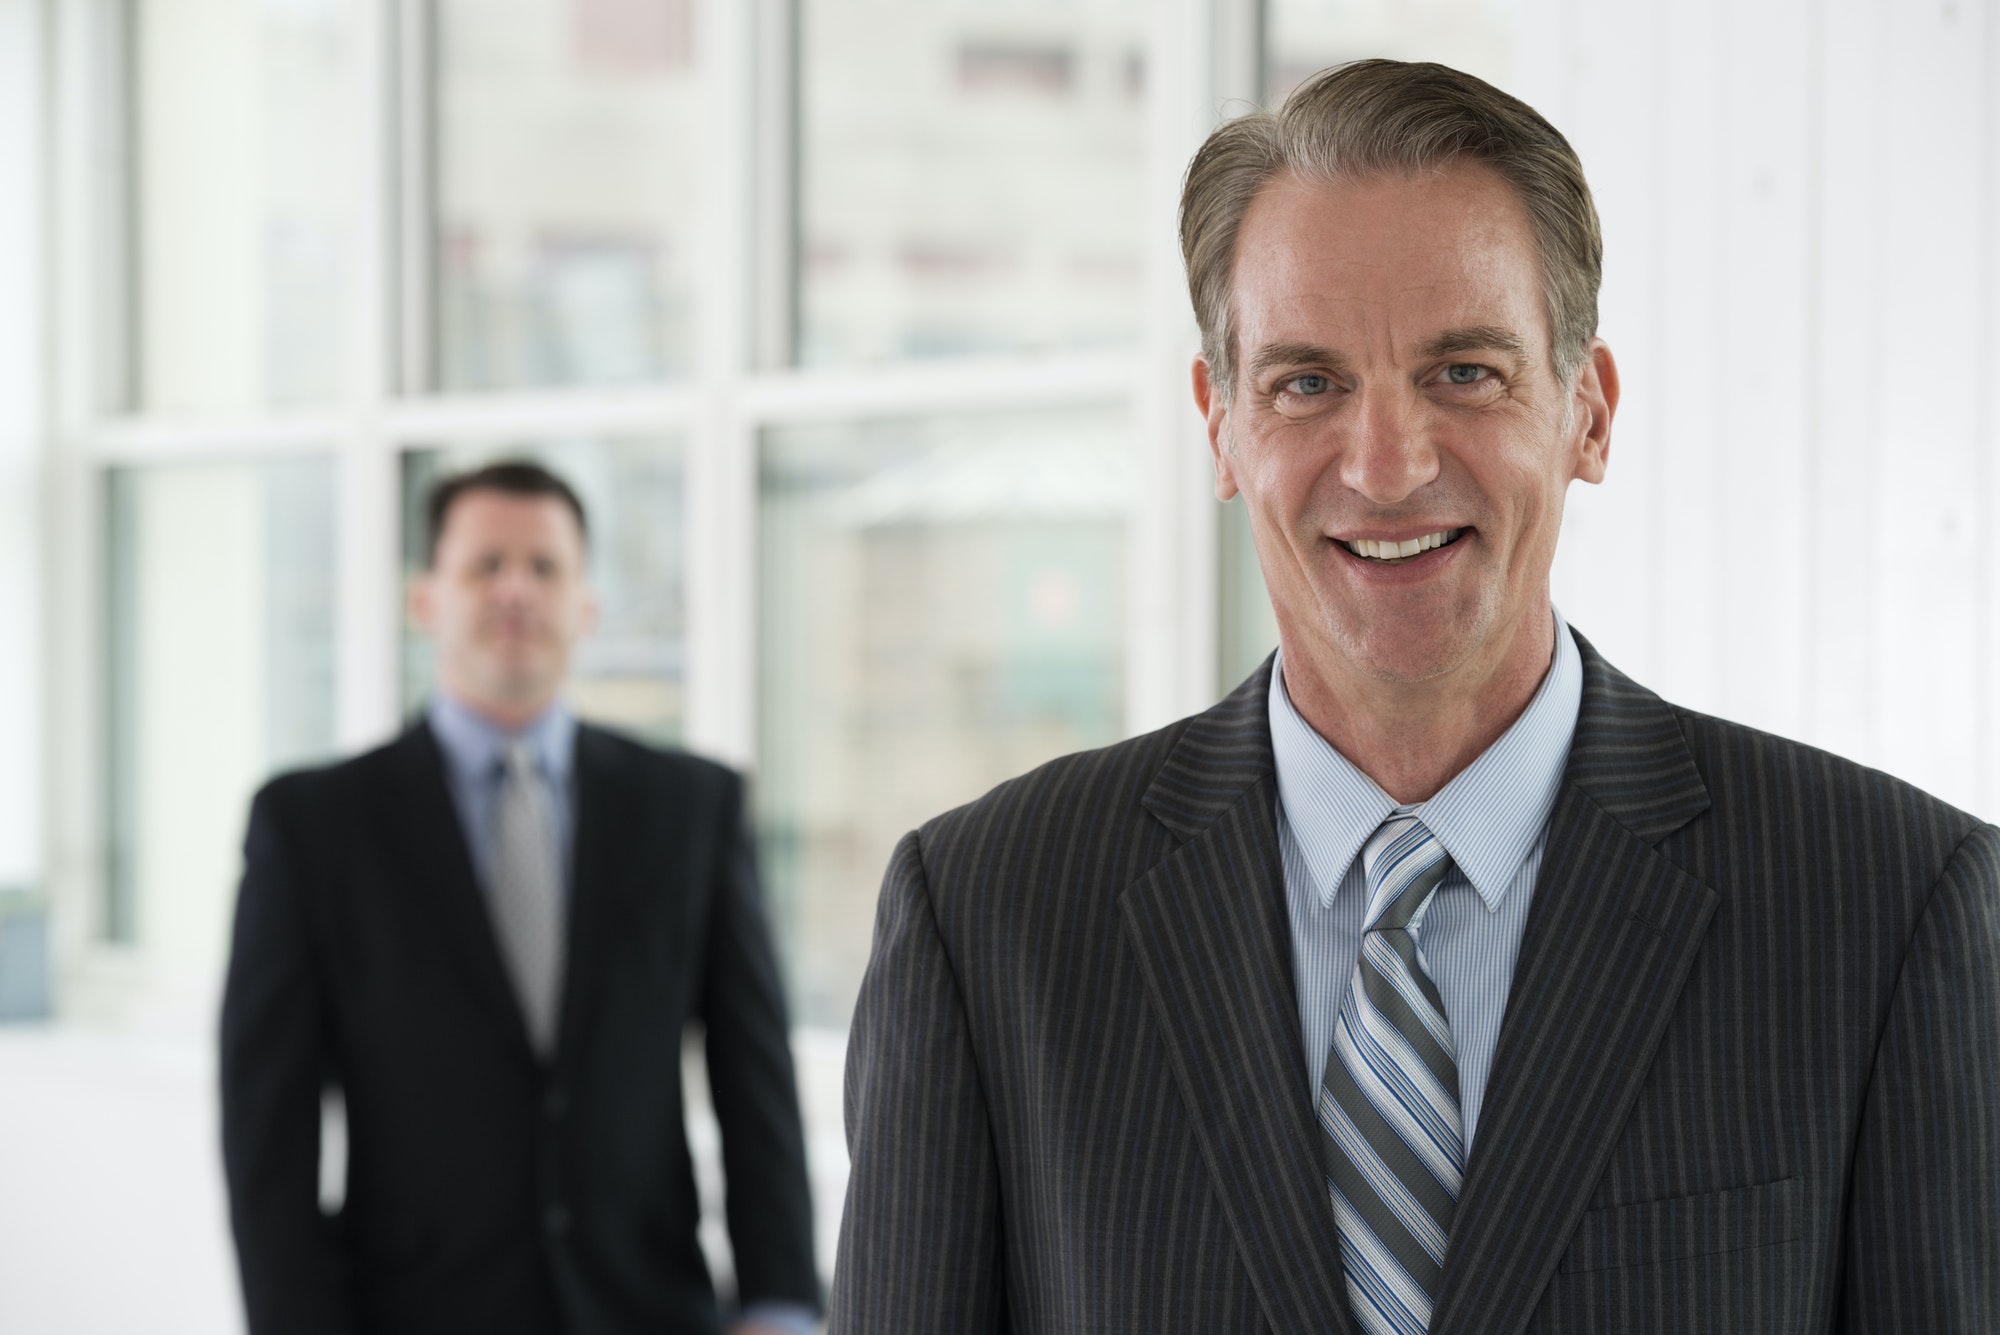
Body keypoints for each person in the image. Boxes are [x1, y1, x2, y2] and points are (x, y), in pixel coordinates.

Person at [830, 59, 1999, 1334]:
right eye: (1305, 383)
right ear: (1219, 424)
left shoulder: (1885, 906)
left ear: (1586, 414)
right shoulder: (988, 918)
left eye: (1461, 373)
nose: (1385, 468)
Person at [221, 461, 820, 1335]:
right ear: (426, 599)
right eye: (485, 564)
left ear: (586, 604)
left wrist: (780, 1300)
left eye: (545, 567)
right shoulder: (312, 826)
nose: (516, 590)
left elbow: (754, 1076)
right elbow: (266, 1128)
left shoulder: (692, 806)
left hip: (649, 1308)